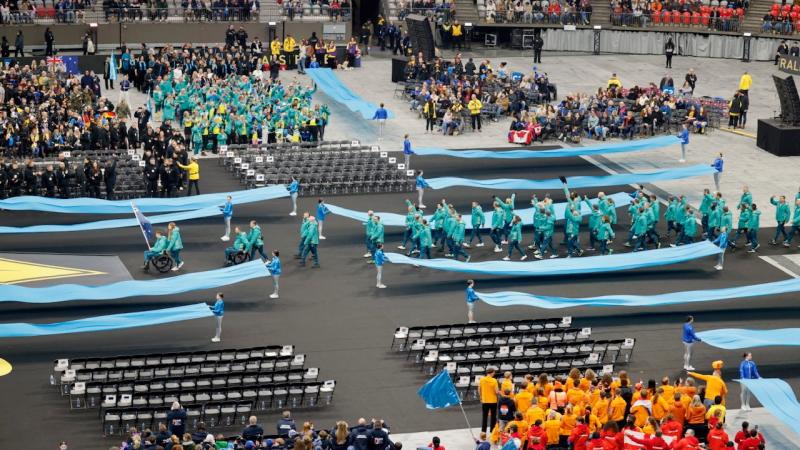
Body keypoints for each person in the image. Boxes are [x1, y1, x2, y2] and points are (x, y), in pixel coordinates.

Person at [479, 367, 499, 433]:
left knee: (484, 416)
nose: (494, 374)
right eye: (494, 373)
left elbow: (479, 390)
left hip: (485, 400)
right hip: (493, 401)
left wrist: (481, 397)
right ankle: (492, 431)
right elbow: (496, 391)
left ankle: (483, 431)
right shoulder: (494, 380)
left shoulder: (482, 380)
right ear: (492, 373)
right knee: (493, 416)